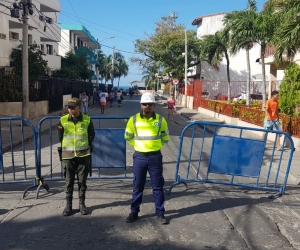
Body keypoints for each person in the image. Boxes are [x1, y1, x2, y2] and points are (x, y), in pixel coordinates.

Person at [124, 92, 170, 224]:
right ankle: (134, 212)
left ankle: (160, 213)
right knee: (138, 186)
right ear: (141, 105)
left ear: (154, 106)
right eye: (145, 104)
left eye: (150, 104)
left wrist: (154, 147)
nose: (147, 106)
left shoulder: (160, 120)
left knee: (157, 186)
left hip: (155, 156)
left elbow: (165, 138)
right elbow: (128, 136)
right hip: (140, 157)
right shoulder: (133, 120)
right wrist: (139, 146)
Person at [58, 97, 95, 216]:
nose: (70, 110)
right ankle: (68, 206)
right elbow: (60, 137)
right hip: (68, 156)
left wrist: (83, 146)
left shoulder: (87, 120)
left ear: (79, 108)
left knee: (82, 182)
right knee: (68, 182)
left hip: (83, 155)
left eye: (73, 108)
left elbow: (91, 136)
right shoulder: (63, 120)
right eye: (69, 107)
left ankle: (81, 204)